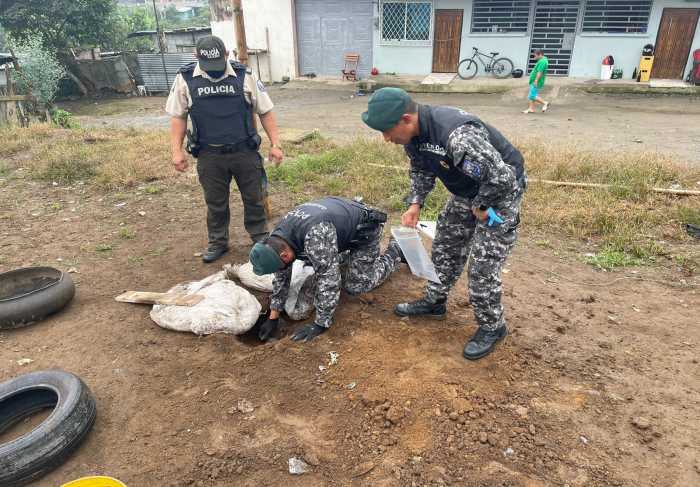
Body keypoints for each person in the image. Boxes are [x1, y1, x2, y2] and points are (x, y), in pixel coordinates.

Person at [362, 87, 526, 360]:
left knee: (482, 268)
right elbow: (422, 167)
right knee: (445, 246)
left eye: (387, 131)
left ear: (405, 119)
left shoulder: (458, 136)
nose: (386, 138)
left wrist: (483, 206)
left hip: (500, 193)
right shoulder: (413, 136)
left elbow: (502, 178)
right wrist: (416, 203)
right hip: (467, 191)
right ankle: (434, 302)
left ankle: (492, 326)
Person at [166, 35, 284, 263]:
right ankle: (218, 242)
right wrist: (176, 151)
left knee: (255, 197)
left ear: (227, 55)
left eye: (218, 64)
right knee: (215, 202)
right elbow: (178, 117)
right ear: (196, 57)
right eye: (208, 66)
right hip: (210, 155)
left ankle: (260, 237)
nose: (214, 71)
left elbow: (266, 111)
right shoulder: (185, 78)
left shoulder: (244, 75)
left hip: (245, 151)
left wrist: (276, 144)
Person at [249, 197, 404, 343]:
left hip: (364, 232)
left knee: (356, 285)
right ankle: (348, 259)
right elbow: (282, 276)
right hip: (337, 228)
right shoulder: (276, 239)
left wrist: (320, 323)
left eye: (282, 264)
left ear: (283, 254)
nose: (282, 269)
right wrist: (273, 316)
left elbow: (329, 279)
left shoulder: (314, 236)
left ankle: (395, 251)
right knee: (316, 261)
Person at [523, 49, 549, 114]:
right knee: (532, 94)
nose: (534, 57)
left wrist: (536, 80)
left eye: (535, 55)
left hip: (537, 81)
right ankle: (531, 109)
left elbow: (539, 72)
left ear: (540, 54)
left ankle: (544, 103)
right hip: (535, 80)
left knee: (531, 96)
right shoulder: (542, 60)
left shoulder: (543, 62)